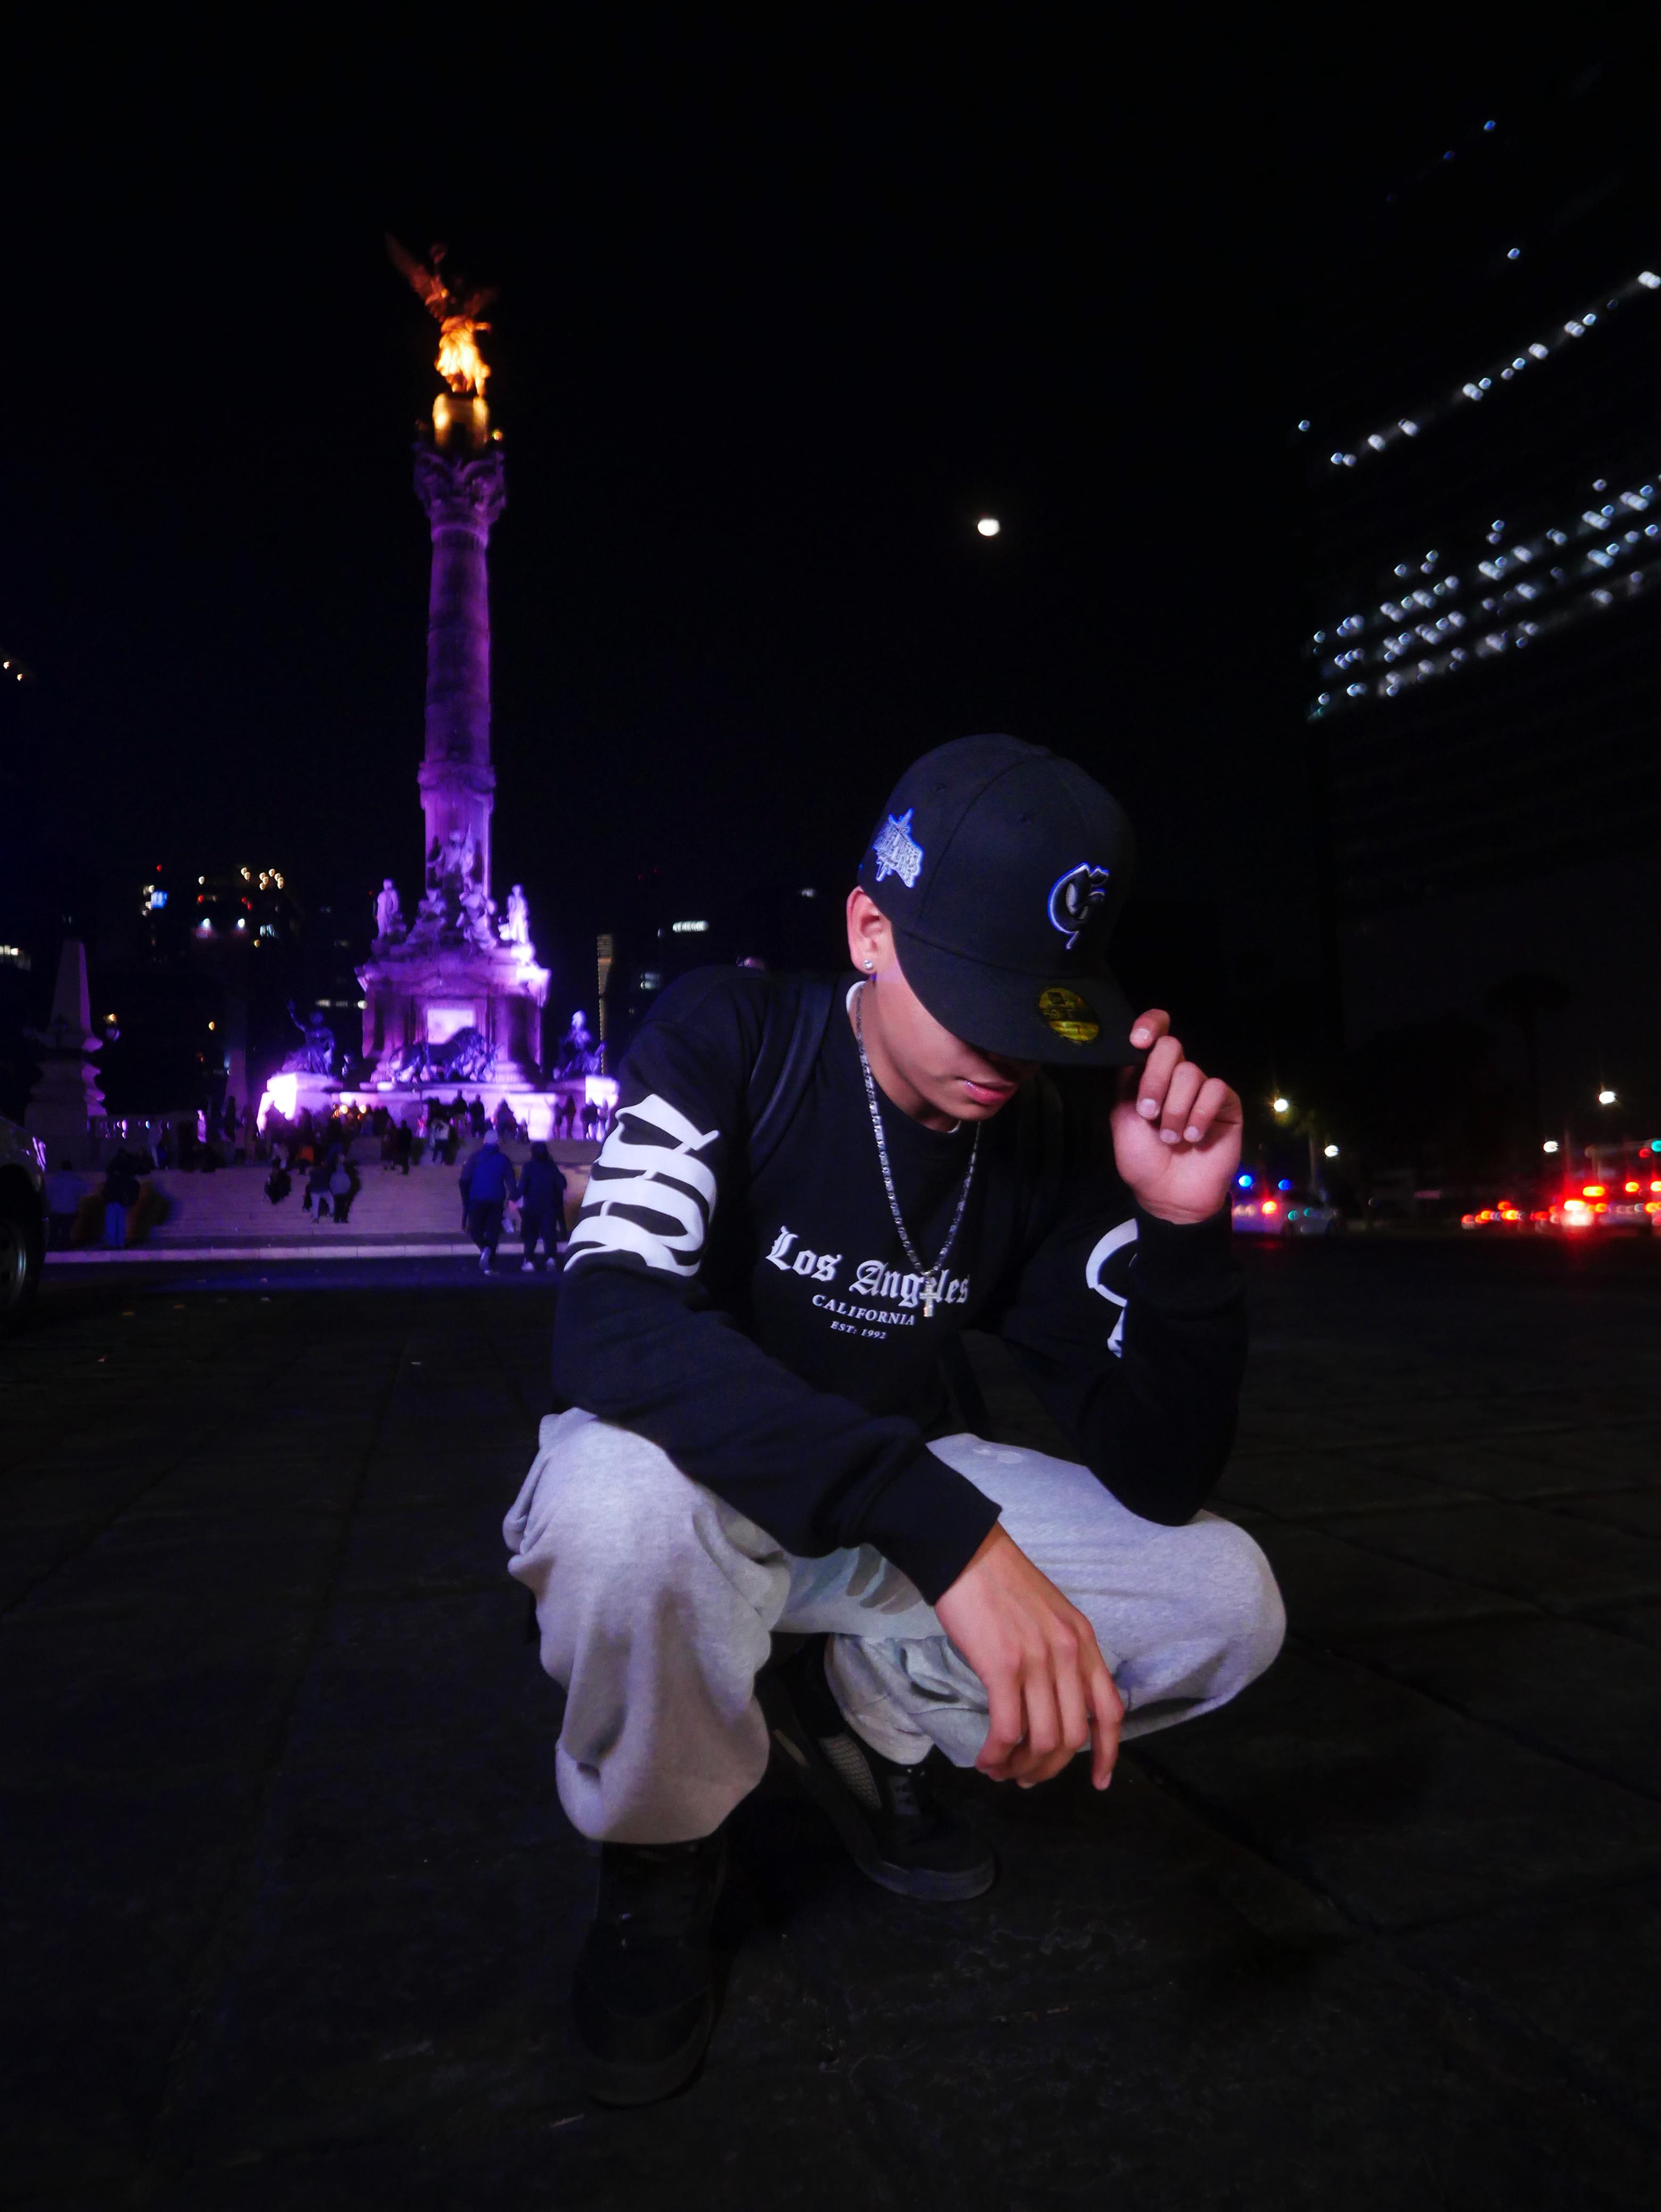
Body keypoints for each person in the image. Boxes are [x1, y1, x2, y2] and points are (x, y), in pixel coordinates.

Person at [505, 734, 1283, 2106]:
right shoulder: (733, 1030)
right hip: (707, 1495)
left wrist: (1180, 1231)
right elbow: (608, 1319)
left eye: (1041, 1011)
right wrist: (954, 1541)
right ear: (870, 928)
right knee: (612, 1505)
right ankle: (659, 1850)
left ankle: (869, 1714)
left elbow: (1158, 1473)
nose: (1009, 1050)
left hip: (884, 1519)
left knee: (1226, 1596)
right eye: (975, 995)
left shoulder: (1040, 1129)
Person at [459, 1125, 518, 1275]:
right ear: (498, 1143)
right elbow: (511, 1182)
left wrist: (466, 1198)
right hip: (496, 1200)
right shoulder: (504, 1159)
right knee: (493, 1232)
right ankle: (489, 1266)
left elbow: (465, 1179)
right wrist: (512, 1198)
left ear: (484, 1141)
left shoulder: (475, 1157)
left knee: (475, 1230)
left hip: (477, 1199)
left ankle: (484, 1249)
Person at [517, 1140, 568, 1273]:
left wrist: (513, 1198)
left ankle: (529, 1261)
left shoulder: (528, 1166)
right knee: (549, 1234)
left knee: (531, 1235)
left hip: (532, 1206)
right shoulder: (551, 1166)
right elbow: (561, 1184)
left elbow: (522, 1186)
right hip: (549, 1205)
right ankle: (551, 1259)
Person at [44, 1160, 85, 1250]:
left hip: (56, 1209)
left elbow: (48, 1194)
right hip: (70, 1209)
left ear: (61, 1168)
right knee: (66, 1231)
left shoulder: (55, 1180)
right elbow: (85, 1191)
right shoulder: (76, 1180)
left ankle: (52, 1247)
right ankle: (64, 1247)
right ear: (71, 1168)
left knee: (54, 1230)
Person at [102, 1157, 141, 1249]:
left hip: (113, 1202)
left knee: (111, 1223)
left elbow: (107, 1191)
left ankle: (113, 1243)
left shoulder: (113, 1179)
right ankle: (121, 1243)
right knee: (121, 1223)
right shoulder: (126, 1178)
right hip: (123, 1204)